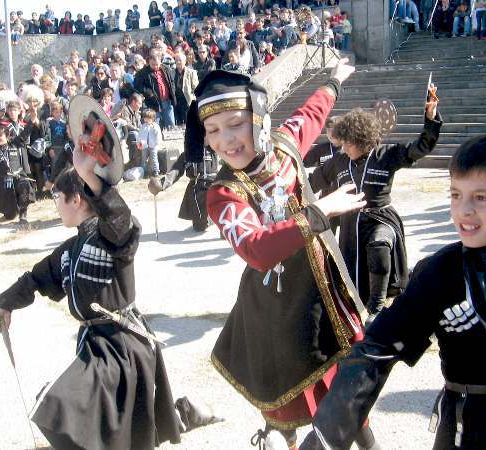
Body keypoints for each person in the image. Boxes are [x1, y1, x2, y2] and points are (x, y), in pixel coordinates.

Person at [298, 131, 486, 450]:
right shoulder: (439, 273)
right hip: (468, 435)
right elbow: (374, 351)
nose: (463, 210)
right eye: (456, 194)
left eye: (481, 198)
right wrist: (325, 438)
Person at [182, 60, 380, 449]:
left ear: (258, 119)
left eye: (235, 124)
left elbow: (311, 114)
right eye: (213, 130)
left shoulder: (284, 148)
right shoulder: (224, 193)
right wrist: (319, 212)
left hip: (324, 295)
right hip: (274, 311)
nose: (225, 140)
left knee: (347, 390)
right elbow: (256, 249)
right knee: (285, 404)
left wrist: (334, 80)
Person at [0, 147, 185, 449]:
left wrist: (90, 177)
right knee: (96, 426)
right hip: (95, 345)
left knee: (61, 408)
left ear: (76, 200)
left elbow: (122, 220)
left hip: (121, 347)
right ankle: (181, 414)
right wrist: (4, 302)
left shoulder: (110, 238)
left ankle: (181, 414)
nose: (55, 204)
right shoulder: (71, 248)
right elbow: (36, 278)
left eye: (56, 197)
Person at [309, 95, 441, 320]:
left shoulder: (386, 155)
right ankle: (356, 304)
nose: (344, 147)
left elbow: (421, 147)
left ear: (362, 140)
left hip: (381, 219)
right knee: (351, 275)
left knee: (379, 244)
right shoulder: (339, 161)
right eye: (343, 142)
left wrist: (430, 120)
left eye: (349, 143)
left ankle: (376, 306)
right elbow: (313, 181)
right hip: (351, 225)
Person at [303, 116, 342, 233]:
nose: (331, 137)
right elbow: (303, 160)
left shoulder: (350, 149)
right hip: (327, 198)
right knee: (327, 234)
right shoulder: (322, 149)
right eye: (329, 134)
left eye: (334, 134)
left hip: (346, 197)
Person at [134, 52, 178, 130]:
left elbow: (171, 82)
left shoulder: (166, 69)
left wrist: (172, 91)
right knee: (155, 126)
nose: (155, 66)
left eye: (157, 64)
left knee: (171, 125)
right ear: (149, 62)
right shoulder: (142, 73)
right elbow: (138, 87)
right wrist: (150, 93)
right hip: (153, 103)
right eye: (153, 64)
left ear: (160, 61)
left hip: (167, 101)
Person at [172, 53, 199, 124]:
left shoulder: (192, 72)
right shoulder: (172, 72)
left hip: (187, 101)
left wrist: (193, 100)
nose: (178, 62)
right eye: (176, 60)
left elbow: (196, 89)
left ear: (185, 61)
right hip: (176, 102)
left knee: (188, 124)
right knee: (178, 124)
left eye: (180, 60)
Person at [138, 109, 162, 177]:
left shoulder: (156, 126)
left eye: (148, 118)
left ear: (153, 118)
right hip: (144, 145)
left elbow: (158, 135)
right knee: (144, 159)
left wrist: (157, 143)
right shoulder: (143, 126)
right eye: (145, 118)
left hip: (153, 145)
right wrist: (139, 142)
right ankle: (144, 171)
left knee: (154, 158)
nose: (147, 120)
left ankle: (156, 171)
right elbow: (140, 135)